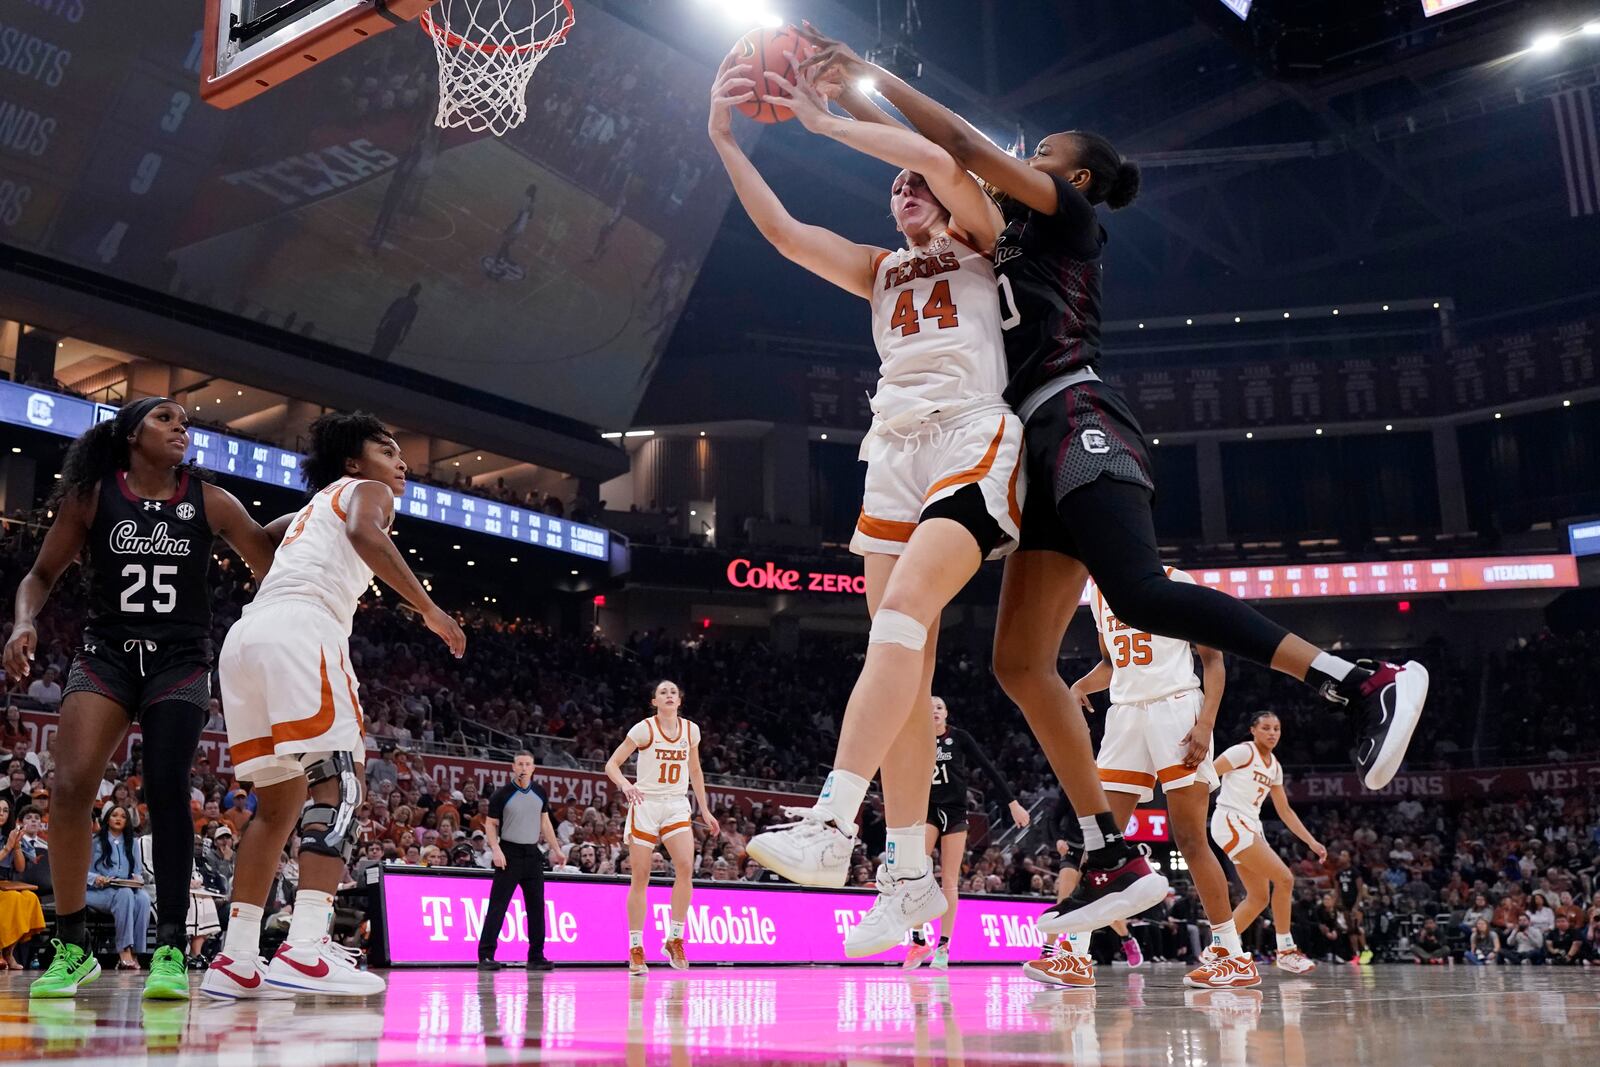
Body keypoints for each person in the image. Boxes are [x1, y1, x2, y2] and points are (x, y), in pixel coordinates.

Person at [795, 23, 1430, 932]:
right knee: (1018, 661)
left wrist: (864, 74)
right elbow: (936, 166)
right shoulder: (983, 239)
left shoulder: (1066, 216)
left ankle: (1358, 676)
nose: (1027, 157)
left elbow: (962, 147)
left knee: (1136, 590)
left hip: (1079, 414)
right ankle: (1108, 852)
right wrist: (829, 101)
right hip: (1021, 443)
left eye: (1044, 153)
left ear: (1074, 177)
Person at [707, 53, 1033, 961]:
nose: (904, 191)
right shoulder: (879, 270)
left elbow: (945, 166)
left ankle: (831, 818)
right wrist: (724, 138)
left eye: (911, 181)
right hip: (890, 454)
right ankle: (904, 872)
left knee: (898, 617)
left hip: (969, 431)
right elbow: (782, 233)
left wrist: (826, 122)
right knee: (905, 665)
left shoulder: (980, 236)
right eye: (892, 189)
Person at [5, 396, 276, 1000]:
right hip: (107, 653)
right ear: (132, 434)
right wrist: (25, 622)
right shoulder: (93, 495)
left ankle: (172, 950)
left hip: (179, 661)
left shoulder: (208, 499)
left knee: (167, 789)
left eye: (185, 422)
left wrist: (313, 522)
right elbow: (40, 575)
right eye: (166, 418)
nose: (181, 427)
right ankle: (73, 946)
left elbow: (267, 556)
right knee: (72, 786)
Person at [202, 412, 465, 1000]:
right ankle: (305, 946)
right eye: (387, 448)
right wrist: (429, 609)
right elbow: (367, 537)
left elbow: (256, 538)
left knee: (276, 809)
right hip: (304, 629)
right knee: (340, 787)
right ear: (352, 462)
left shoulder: (312, 511)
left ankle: (238, 958)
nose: (401, 463)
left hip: (247, 639)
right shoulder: (365, 493)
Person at [904, 697, 1030, 970]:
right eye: (928, 708)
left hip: (955, 812)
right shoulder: (915, 738)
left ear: (946, 713)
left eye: (939, 707)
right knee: (916, 873)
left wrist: (1013, 803)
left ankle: (944, 946)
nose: (934, 711)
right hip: (926, 811)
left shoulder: (959, 738)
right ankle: (917, 938)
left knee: (949, 881)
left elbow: (989, 769)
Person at [604, 680, 717, 975]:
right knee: (640, 877)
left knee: (685, 867)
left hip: (676, 803)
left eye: (673, 692)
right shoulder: (643, 729)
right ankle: (636, 947)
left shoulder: (691, 730)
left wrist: (704, 809)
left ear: (680, 700)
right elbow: (612, 764)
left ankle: (675, 938)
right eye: (662, 692)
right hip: (646, 803)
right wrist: (626, 785)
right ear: (654, 701)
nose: (668, 695)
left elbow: (695, 770)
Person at [1209, 711, 1327, 981]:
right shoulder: (1242, 752)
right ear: (1253, 730)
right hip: (1230, 819)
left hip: (1251, 824)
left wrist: (1311, 841)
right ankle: (1286, 952)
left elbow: (1285, 812)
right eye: (1266, 728)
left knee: (1259, 897)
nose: (1272, 733)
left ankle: (1216, 949)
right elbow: (1208, 775)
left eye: (1276, 728)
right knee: (1285, 878)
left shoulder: (1274, 765)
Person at [477, 751, 564, 971]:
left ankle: (536, 956)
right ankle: (486, 955)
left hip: (532, 854)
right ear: (513, 768)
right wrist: (496, 849)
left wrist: (556, 849)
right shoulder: (502, 794)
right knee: (498, 905)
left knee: (536, 907)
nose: (524, 768)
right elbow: (490, 824)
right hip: (509, 853)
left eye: (528, 764)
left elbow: (545, 824)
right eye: (520, 764)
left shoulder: (540, 792)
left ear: (533, 768)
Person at [86, 805, 151, 971]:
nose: (118, 818)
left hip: (124, 888)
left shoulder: (132, 843)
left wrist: (137, 879)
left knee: (143, 898)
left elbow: (137, 871)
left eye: (122, 816)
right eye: (114, 815)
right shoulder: (95, 841)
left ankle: (136, 952)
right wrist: (97, 879)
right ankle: (123, 951)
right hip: (97, 891)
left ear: (127, 821)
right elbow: (82, 872)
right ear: (107, 818)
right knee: (125, 894)